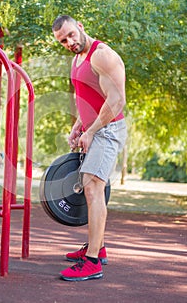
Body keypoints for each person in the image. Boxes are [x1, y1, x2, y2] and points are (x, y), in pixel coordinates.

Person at [52, 15, 127, 281]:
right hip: (93, 129)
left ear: (81, 27)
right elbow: (82, 95)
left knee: (93, 187)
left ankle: (93, 261)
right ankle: (99, 246)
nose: (69, 42)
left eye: (71, 35)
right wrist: (78, 126)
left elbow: (117, 100)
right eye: (63, 40)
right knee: (89, 187)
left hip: (107, 130)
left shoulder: (101, 55)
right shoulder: (77, 59)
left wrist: (92, 130)